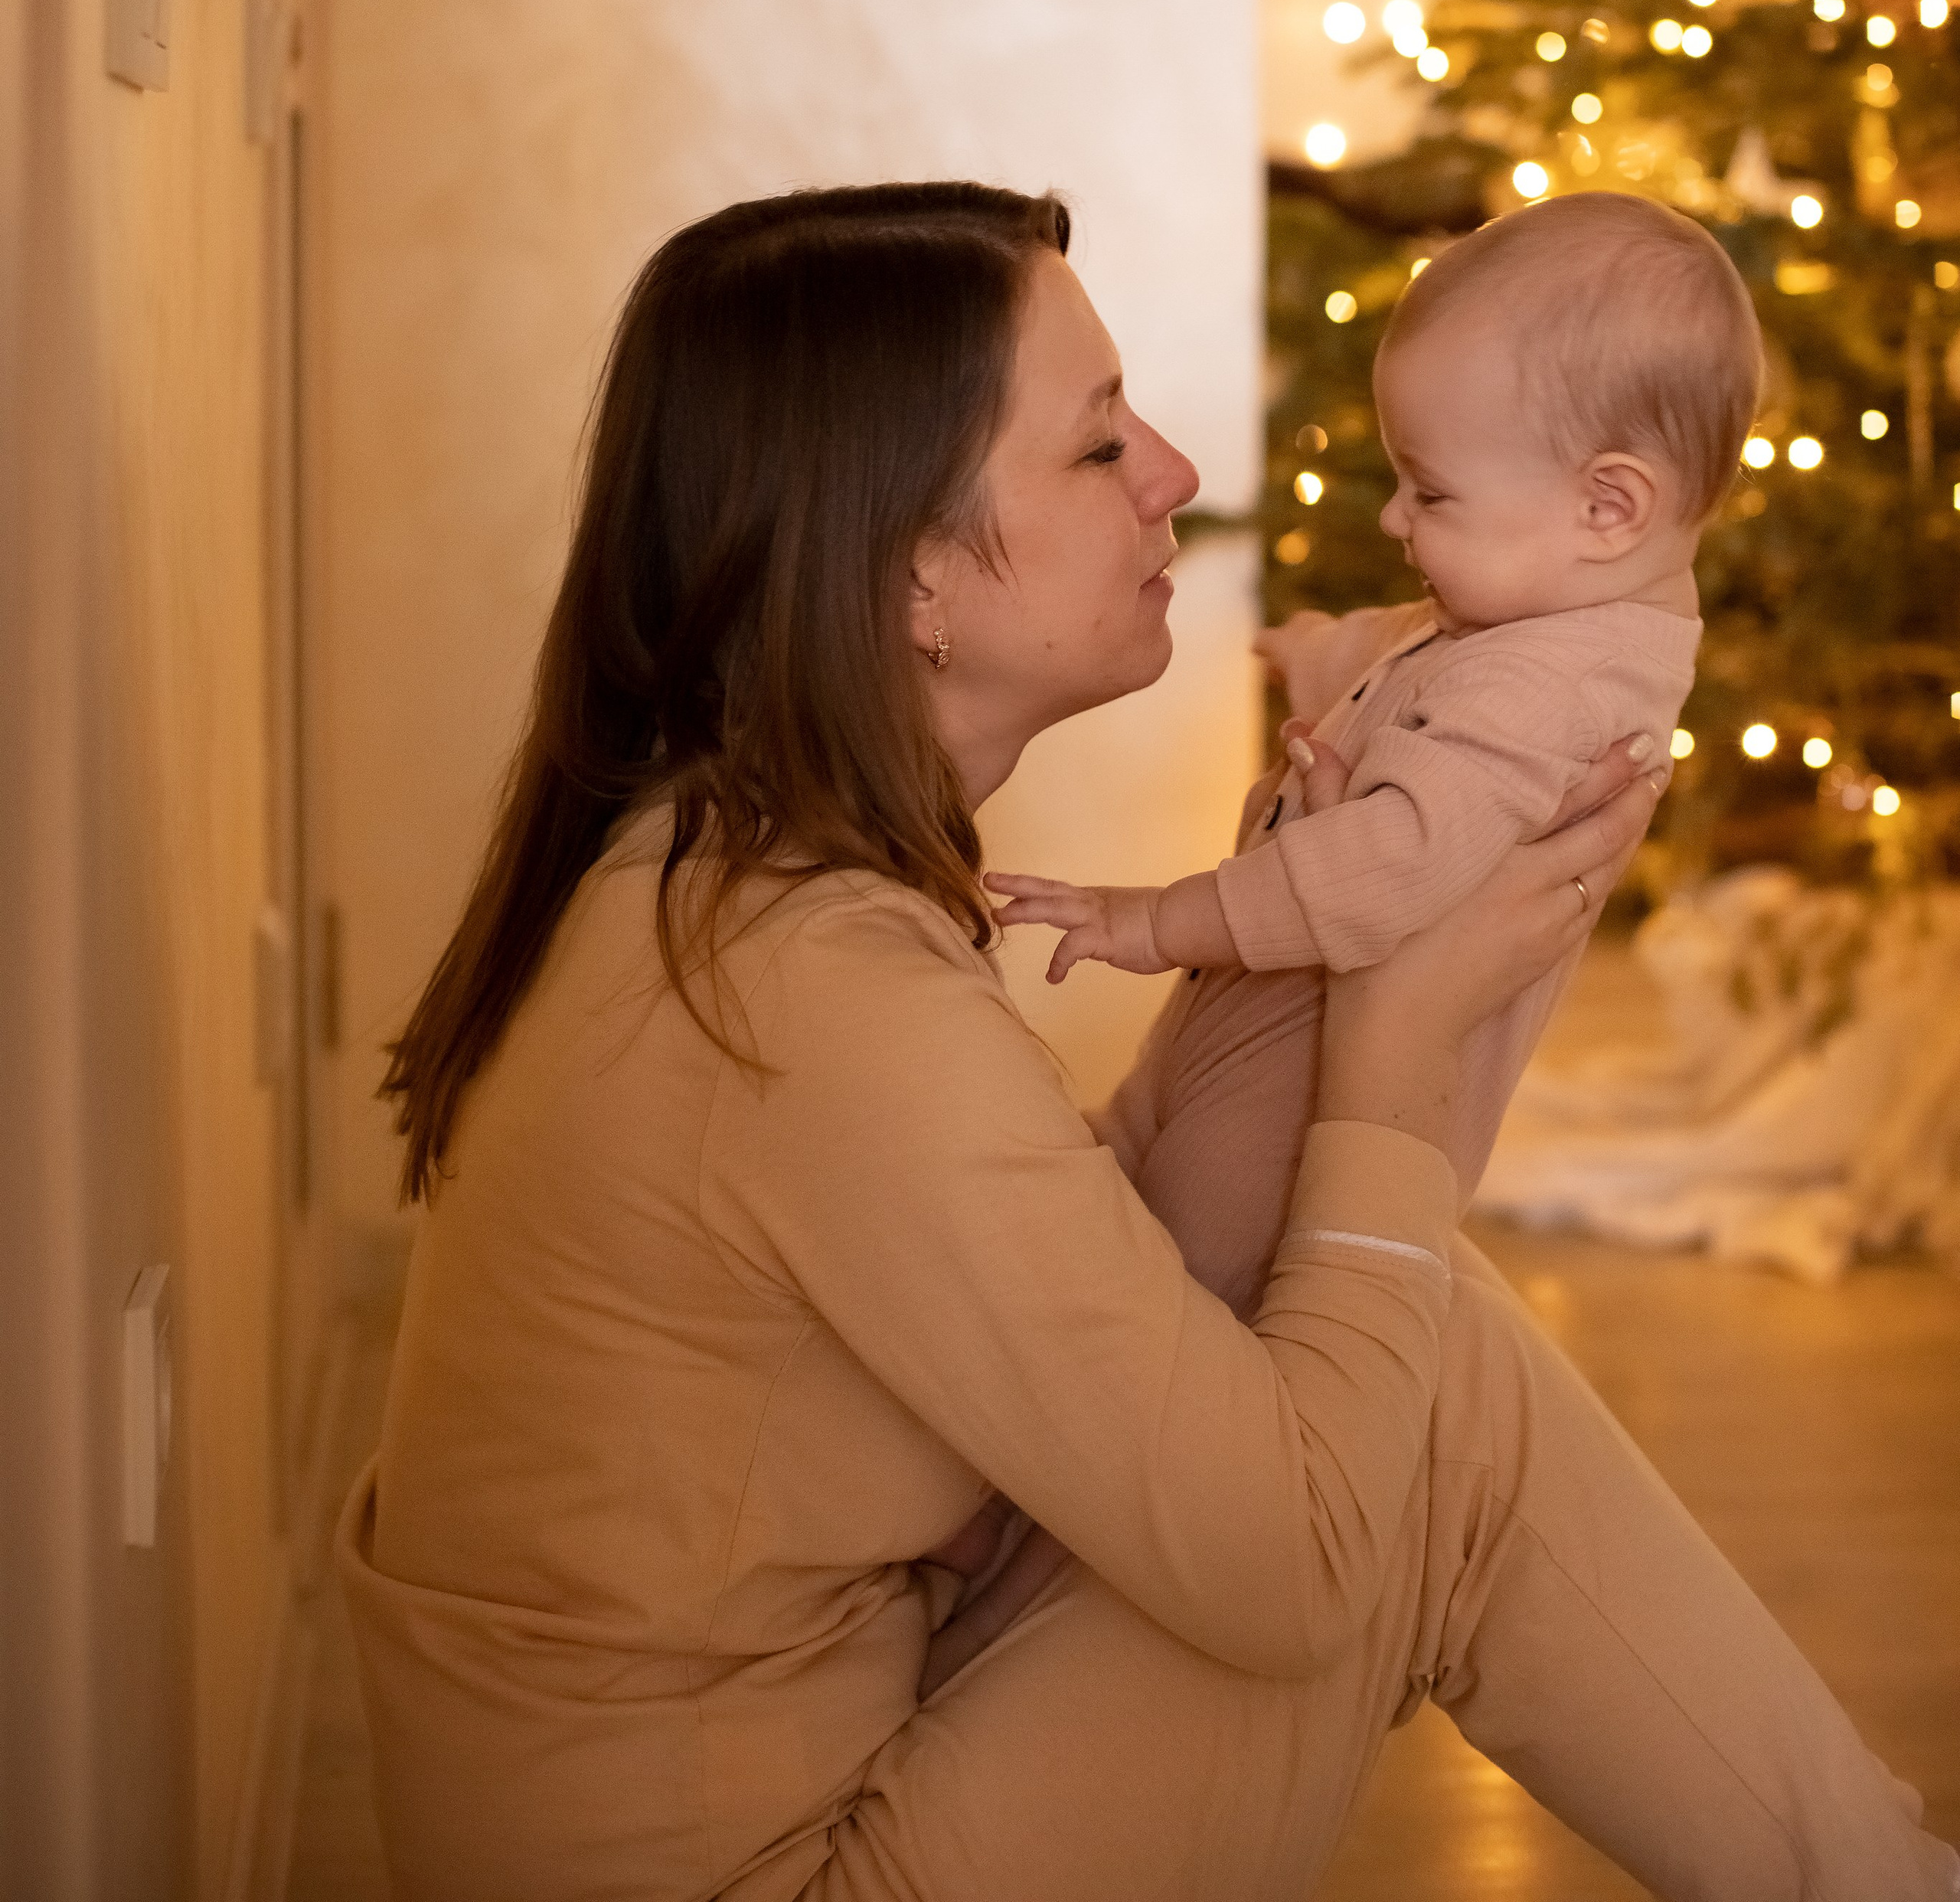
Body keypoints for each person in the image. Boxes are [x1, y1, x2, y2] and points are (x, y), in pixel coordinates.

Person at [338, 181, 1956, 1902]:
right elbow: (1295, 1565)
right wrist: (1393, 1039)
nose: (1177, 472)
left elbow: (1063, 1295)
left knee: (1400, 1364)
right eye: (1100, 445)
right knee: (1414, 1420)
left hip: (782, 1765)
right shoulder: (811, 997)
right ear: (912, 573)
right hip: (759, 1874)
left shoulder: (737, 879)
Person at [985, 194, 1757, 1196]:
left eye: (1429, 493)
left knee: (1172, 1300)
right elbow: (1409, 661)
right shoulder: (1530, 623)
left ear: (1608, 508)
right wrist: (1310, 652)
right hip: (1231, 1058)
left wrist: (1156, 921)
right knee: (1099, 1208)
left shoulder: (1554, 696)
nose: (1396, 517)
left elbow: (1382, 865)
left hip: (1289, 1147)